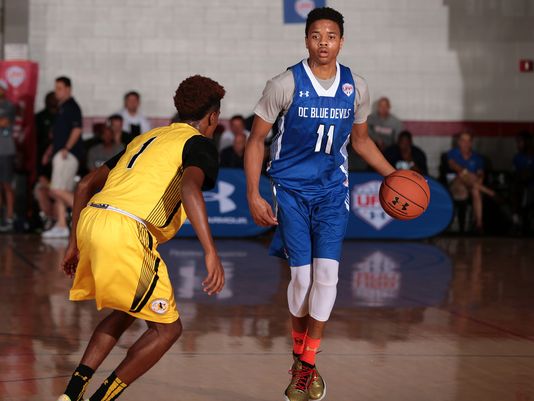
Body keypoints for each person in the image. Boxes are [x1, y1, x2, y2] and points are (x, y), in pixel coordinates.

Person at [244, 7, 395, 401]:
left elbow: (360, 142)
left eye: (331, 36)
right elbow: (255, 139)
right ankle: (300, 358)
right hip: (291, 190)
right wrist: (253, 193)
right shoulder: (284, 83)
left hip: (332, 192)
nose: (323, 42)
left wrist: (393, 175)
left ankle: (305, 366)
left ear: (341, 41)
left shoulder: (356, 87)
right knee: (302, 280)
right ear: (306, 39)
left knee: (327, 278)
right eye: (316, 35)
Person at [56, 75, 226, 401]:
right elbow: (190, 188)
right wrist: (210, 251)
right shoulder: (199, 143)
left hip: (94, 218)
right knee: (167, 329)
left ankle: (72, 394)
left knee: (127, 309)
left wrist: (73, 242)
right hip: (128, 229)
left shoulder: (148, 137)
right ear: (212, 117)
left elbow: (83, 186)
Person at [42, 76, 84, 238]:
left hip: (67, 155)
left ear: (68, 89)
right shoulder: (62, 108)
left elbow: (77, 130)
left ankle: (85, 212)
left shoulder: (72, 107)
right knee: (62, 189)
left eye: (59, 88)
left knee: (56, 190)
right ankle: (61, 225)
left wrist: (67, 148)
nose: (56, 91)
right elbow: (59, 135)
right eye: (56, 88)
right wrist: (49, 151)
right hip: (60, 153)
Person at [447, 131, 495, 232]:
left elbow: (480, 175)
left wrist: (477, 178)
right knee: (461, 175)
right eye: (463, 140)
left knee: (476, 191)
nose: (466, 143)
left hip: (473, 186)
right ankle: (490, 192)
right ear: (459, 142)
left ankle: (479, 224)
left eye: (468, 141)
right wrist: (467, 173)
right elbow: (454, 166)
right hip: (457, 185)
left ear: (471, 143)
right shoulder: (453, 153)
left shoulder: (478, 158)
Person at [34, 91, 58, 230]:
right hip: (46, 178)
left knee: (57, 191)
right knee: (40, 190)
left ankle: (57, 220)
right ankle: (50, 220)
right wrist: (41, 176)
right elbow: (40, 164)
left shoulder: (63, 150)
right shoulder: (42, 147)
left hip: (59, 181)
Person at [0, 79, 17, 232]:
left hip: (5, 150)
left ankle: (10, 217)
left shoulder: (8, 106)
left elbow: (4, 122)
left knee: (6, 184)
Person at [511, 131, 534, 232]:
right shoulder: (517, 157)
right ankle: (517, 221)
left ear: (528, 142)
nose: (518, 145)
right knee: (516, 190)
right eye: (517, 142)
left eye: (520, 142)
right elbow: (517, 174)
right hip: (522, 186)